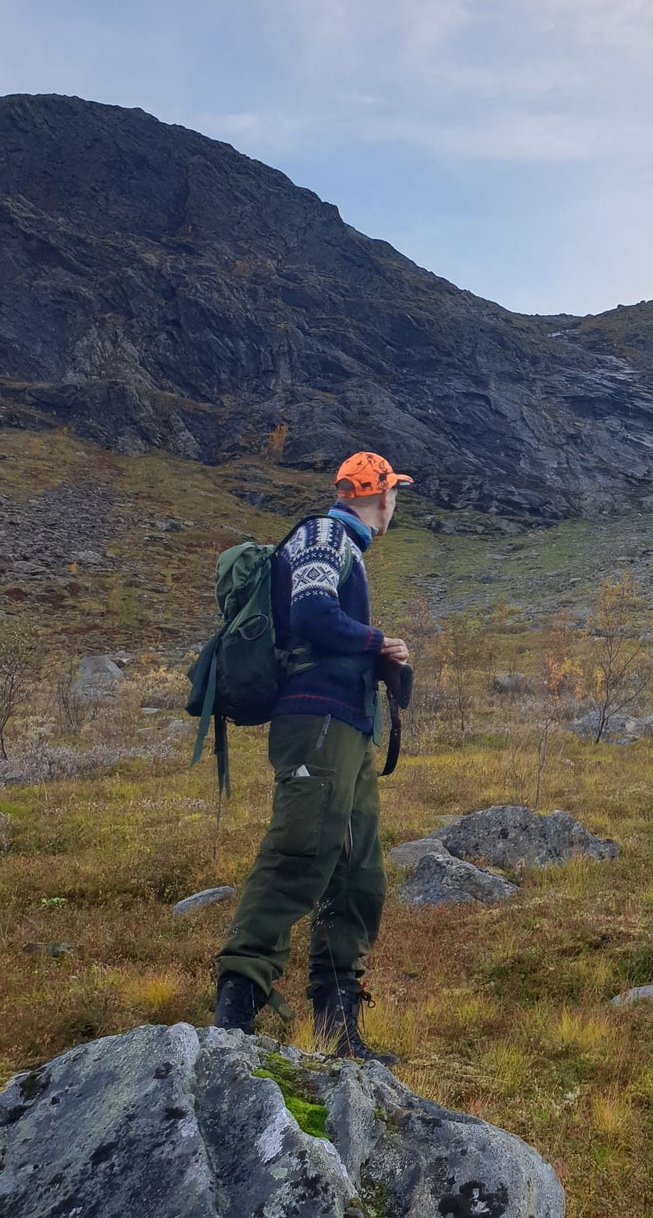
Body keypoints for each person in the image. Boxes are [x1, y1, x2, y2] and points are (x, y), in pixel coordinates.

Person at [212, 451, 412, 1061]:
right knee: (300, 851)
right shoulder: (326, 534)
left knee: (357, 871)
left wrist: (375, 661)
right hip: (317, 720)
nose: (395, 503)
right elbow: (313, 615)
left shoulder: (345, 543)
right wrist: (380, 640)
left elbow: (322, 624)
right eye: (394, 492)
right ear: (378, 495)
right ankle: (235, 1011)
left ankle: (337, 1027)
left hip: (346, 725)